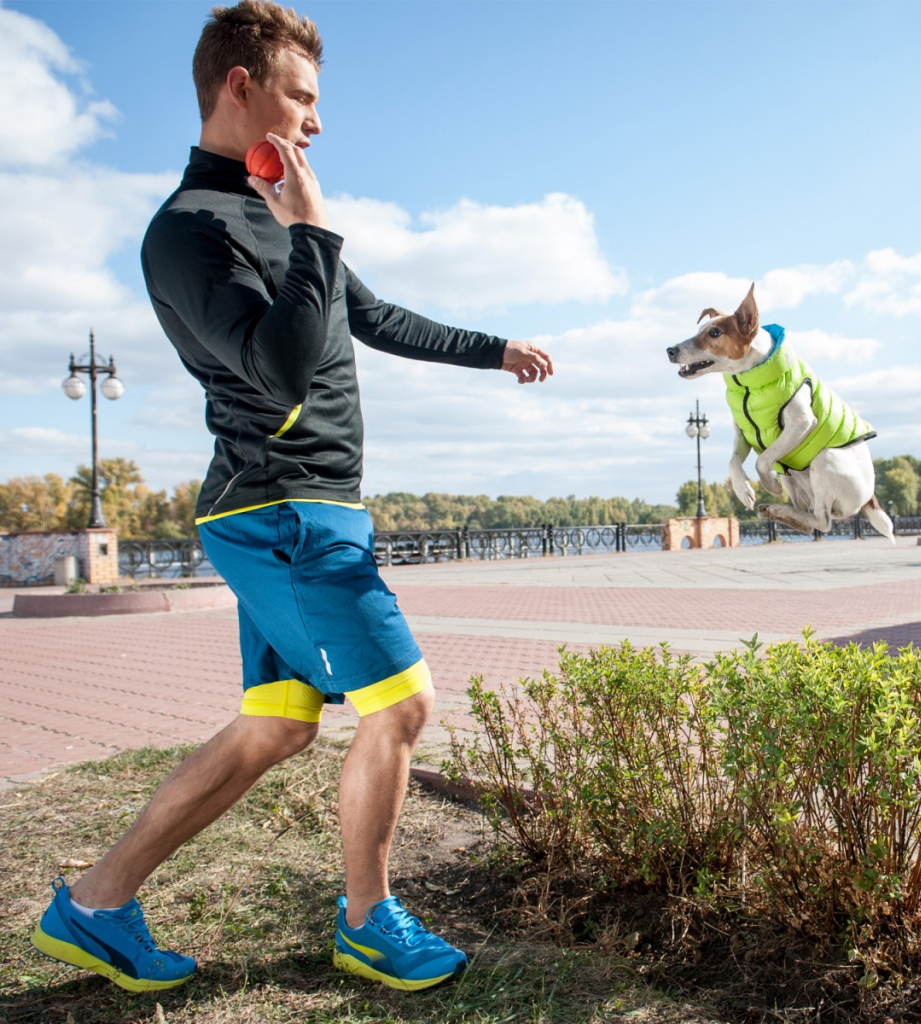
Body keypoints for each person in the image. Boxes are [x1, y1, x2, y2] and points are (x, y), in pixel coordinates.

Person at [32, 0, 553, 995]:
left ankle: (94, 905)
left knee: (276, 723)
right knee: (401, 703)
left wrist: (496, 350)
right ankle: (367, 923)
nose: (316, 120)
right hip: (279, 509)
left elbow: (371, 317)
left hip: (309, 507)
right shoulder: (187, 231)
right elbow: (275, 375)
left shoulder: (271, 211)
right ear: (242, 86)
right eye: (301, 97)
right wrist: (311, 231)